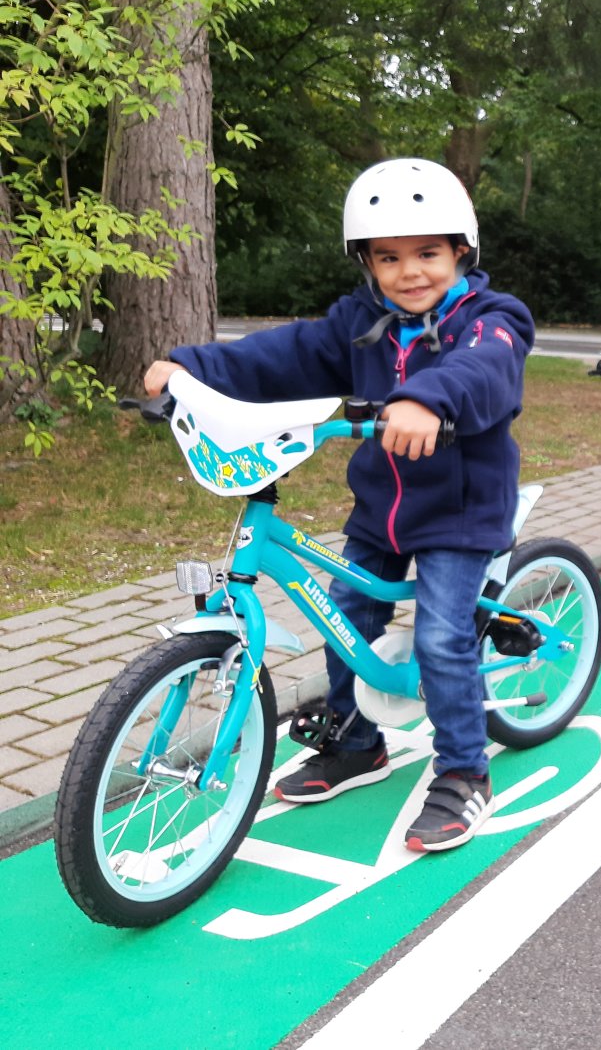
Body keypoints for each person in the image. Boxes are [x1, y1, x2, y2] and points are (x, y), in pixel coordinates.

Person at [143, 158, 534, 852]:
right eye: (389, 257)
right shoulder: (360, 321)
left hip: (461, 512)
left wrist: (426, 398)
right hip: (381, 507)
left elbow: (486, 370)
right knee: (345, 613)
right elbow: (280, 353)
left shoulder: (493, 319)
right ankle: (357, 743)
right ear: (366, 262)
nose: (410, 271)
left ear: (462, 252)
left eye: (428, 253)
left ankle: (466, 770)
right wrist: (190, 367)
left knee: (443, 639)